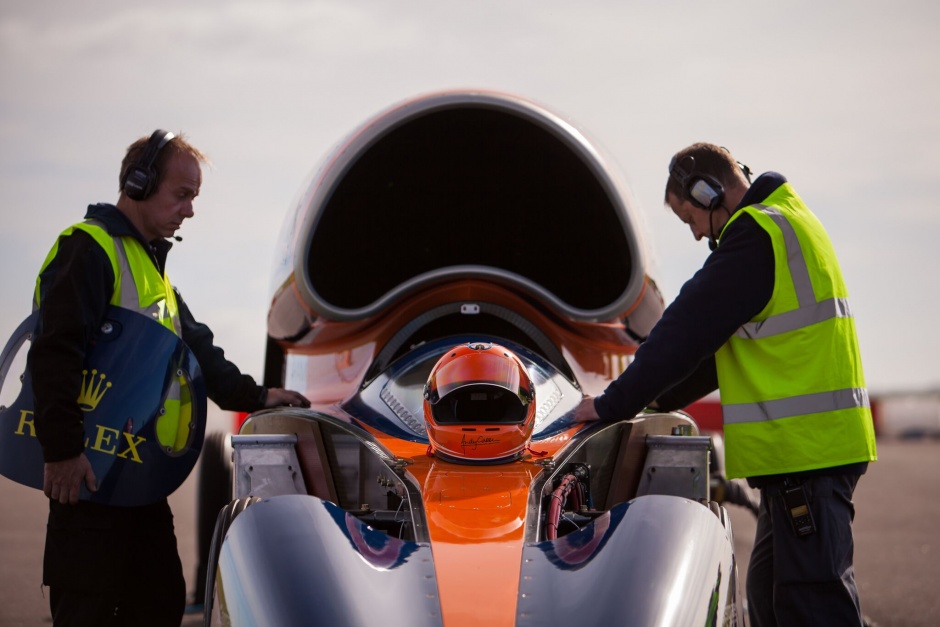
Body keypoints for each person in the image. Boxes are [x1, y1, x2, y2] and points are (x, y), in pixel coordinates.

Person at [575, 142, 877, 626]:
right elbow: (716, 351)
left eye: (689, 217)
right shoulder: (790, 219)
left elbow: (686, 328)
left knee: (813, 606)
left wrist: (613, 404)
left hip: (807, 454)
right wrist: (650, 400)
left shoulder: (755, 235)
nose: (696, 235)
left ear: (708, 191)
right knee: (768, 592)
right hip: (807, 455)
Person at [27, 129, 310, 626]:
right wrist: (62, 451)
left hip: (141, 475)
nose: (190, 211)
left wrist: (262, 396)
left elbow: (202, 355)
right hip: (89, 476)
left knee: (159, 603)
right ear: (139, 183)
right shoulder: (88, 250)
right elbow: (55, 353)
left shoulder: (154, 274)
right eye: (183, 195)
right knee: (86, 609)